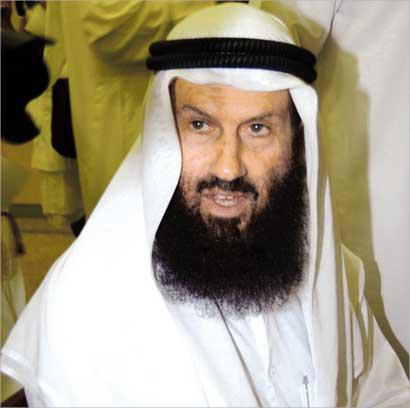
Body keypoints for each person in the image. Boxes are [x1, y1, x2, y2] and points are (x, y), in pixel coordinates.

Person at [1, 3, 409, 407]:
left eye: (258, 128)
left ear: (296, 142)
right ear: (163, 133)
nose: (229, 166)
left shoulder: (329, 267)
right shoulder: (90, 306)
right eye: (200, 125)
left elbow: (385, 392)